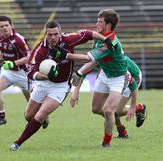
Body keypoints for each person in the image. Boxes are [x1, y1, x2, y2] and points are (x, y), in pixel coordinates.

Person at [10, 20, 111, 151]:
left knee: (39, 115)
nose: (52, 38)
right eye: (49, 34)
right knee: (28, 116)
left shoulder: (68, 39)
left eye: (55, 34)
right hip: (43, 83)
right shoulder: (40, 49)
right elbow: (31, 72)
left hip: (61, 86)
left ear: (60, 32)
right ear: (45, 34)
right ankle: (43, 119)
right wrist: (46, 76)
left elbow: (88, 34)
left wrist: (105, 39)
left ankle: (17, 143)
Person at [48, 9, 144, 147]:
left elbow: (89, 58)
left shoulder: (112, 43)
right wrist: (76, 89)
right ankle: (128, 121)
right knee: (96, 109)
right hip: (105, 74)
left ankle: (107, 142)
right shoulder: (100, 39)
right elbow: (93, 62)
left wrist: (65, 55)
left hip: (123, 76)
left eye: (100, 21)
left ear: (108, 25)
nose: (96, 23)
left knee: (110, 110)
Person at [69, 56, 147, 139]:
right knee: (98, 109)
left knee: (115, 111)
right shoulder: (97, 56)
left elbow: (132, 82)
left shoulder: (117, 60)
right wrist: (76, 91)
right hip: (112, 76)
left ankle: (138, 108)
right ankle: (122, 132)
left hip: (131, 76)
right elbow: (83, 72)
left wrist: (132, 106)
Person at [0, 16, 31, 129]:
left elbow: (28, 57)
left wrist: (14, 63)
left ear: (12, 26)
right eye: (1, 26)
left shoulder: (19, 40)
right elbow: (2, 50)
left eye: (6, 25)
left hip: (22, 73)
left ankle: (43, 117)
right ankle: (1, 118)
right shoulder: (0, 39)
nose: (4, 28)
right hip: (8, 71)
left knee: (31, 102)